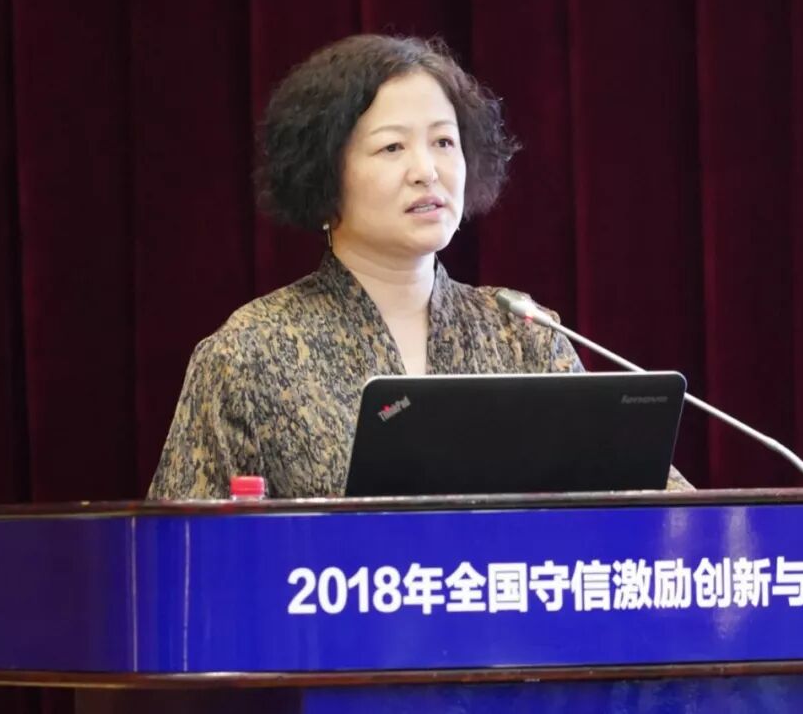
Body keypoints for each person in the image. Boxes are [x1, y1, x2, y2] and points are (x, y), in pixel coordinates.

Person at [148, 34, 692, 499]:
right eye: (392, 148)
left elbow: (651, 504)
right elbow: (185, 553)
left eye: (443, 142)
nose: (426, 170)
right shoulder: (250, 352)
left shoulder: (522, 333)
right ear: (323, 173)